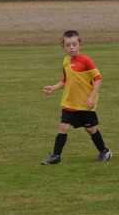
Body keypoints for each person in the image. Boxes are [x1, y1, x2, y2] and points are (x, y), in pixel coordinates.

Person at [40, 30, 111, 164]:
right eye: (68, 45)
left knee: (90, 129)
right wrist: (54, 88)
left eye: (74, 44)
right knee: (63, 127)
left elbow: (98, 79)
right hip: (69, 102)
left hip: (84, 103)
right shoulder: (66, 61)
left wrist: (92, 97)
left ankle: (104, 151)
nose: (71, 47)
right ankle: (56, 156)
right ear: (63, 47)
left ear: (80, 45)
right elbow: (66, 79)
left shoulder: (85, 60)